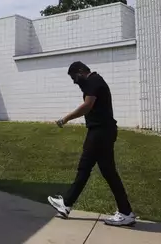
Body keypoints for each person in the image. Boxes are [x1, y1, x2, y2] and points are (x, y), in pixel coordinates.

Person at [47, 61, 135, 227]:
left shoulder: (92, 81)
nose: (74, 81)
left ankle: (67, 204)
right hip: (103, 131)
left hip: (100, 132)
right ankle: (125, 211)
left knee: (87, 167)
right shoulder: (96, 81)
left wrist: (64, 119)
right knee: (105, 171)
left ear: (81, 71)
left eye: (74, 77)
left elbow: (87, 106)